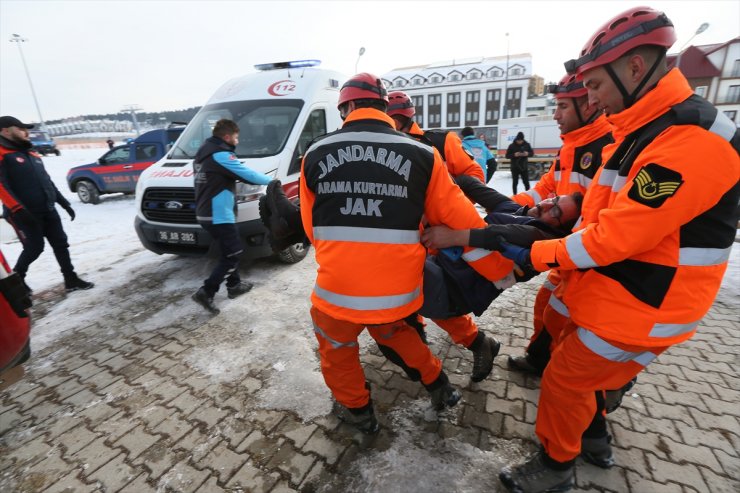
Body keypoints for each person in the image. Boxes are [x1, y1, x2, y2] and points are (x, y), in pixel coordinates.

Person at [493, 7, 740, 492]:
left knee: (566, 379)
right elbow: (617, 209)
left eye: (596, 87)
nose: (592, 99)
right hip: (623, 290)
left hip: (646, 304)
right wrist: (571, 204)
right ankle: (595, 434)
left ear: (633, 69)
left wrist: (536, 254)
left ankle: (555, 468)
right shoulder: (645, 130)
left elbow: (615, 237)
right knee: (576, 358)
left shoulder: (687, 140)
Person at [299, 73, 514, 433]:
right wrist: (500, 274)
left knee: (337, 349)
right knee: (396, 332)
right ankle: (439, 386)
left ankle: (360, 416)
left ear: (346, 107)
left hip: (339, 290)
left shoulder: (315, 153)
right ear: (385, 108)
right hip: (399, 291)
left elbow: (311, 227)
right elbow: (462, 222)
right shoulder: (423, 154)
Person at [507, 74, 613, 377]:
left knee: (567, 317)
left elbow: (601, 215)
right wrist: (509, 207)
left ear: (588, 105)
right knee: (548, 305)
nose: (555, 115)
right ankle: (541, 359)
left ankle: (607, 381)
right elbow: (545, 187)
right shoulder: (572, 147)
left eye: (563, 106)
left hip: (587, 256)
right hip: (567, 249)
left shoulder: (607, 148)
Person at [0, 116, 94, 294]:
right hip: (24, 213)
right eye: (20, 128)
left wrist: (63, 202)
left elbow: (47, 181)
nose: (26, 132)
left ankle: (70, 279)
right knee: (34, 248)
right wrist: (18, 209)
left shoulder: (31, 153)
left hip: (47, 209)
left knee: (61, 244)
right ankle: (17, 280)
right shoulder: (2, 153)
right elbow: (1, 186)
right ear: (5, 130)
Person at [191, 118, 271, 315]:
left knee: (228, 251)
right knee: (233, 253)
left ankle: (234, 285)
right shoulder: (221, 156)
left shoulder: (203, 154)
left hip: (206, 212)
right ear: (227, 137)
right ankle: (207, 291)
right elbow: (249, 175)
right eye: (236, 137)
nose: (237, 141)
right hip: (219, 214)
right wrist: (274, 181)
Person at [386, 91, 485, 182]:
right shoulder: (384, 145)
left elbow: (475, 175)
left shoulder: (444, 141)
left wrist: (449, 196)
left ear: (395, 123)